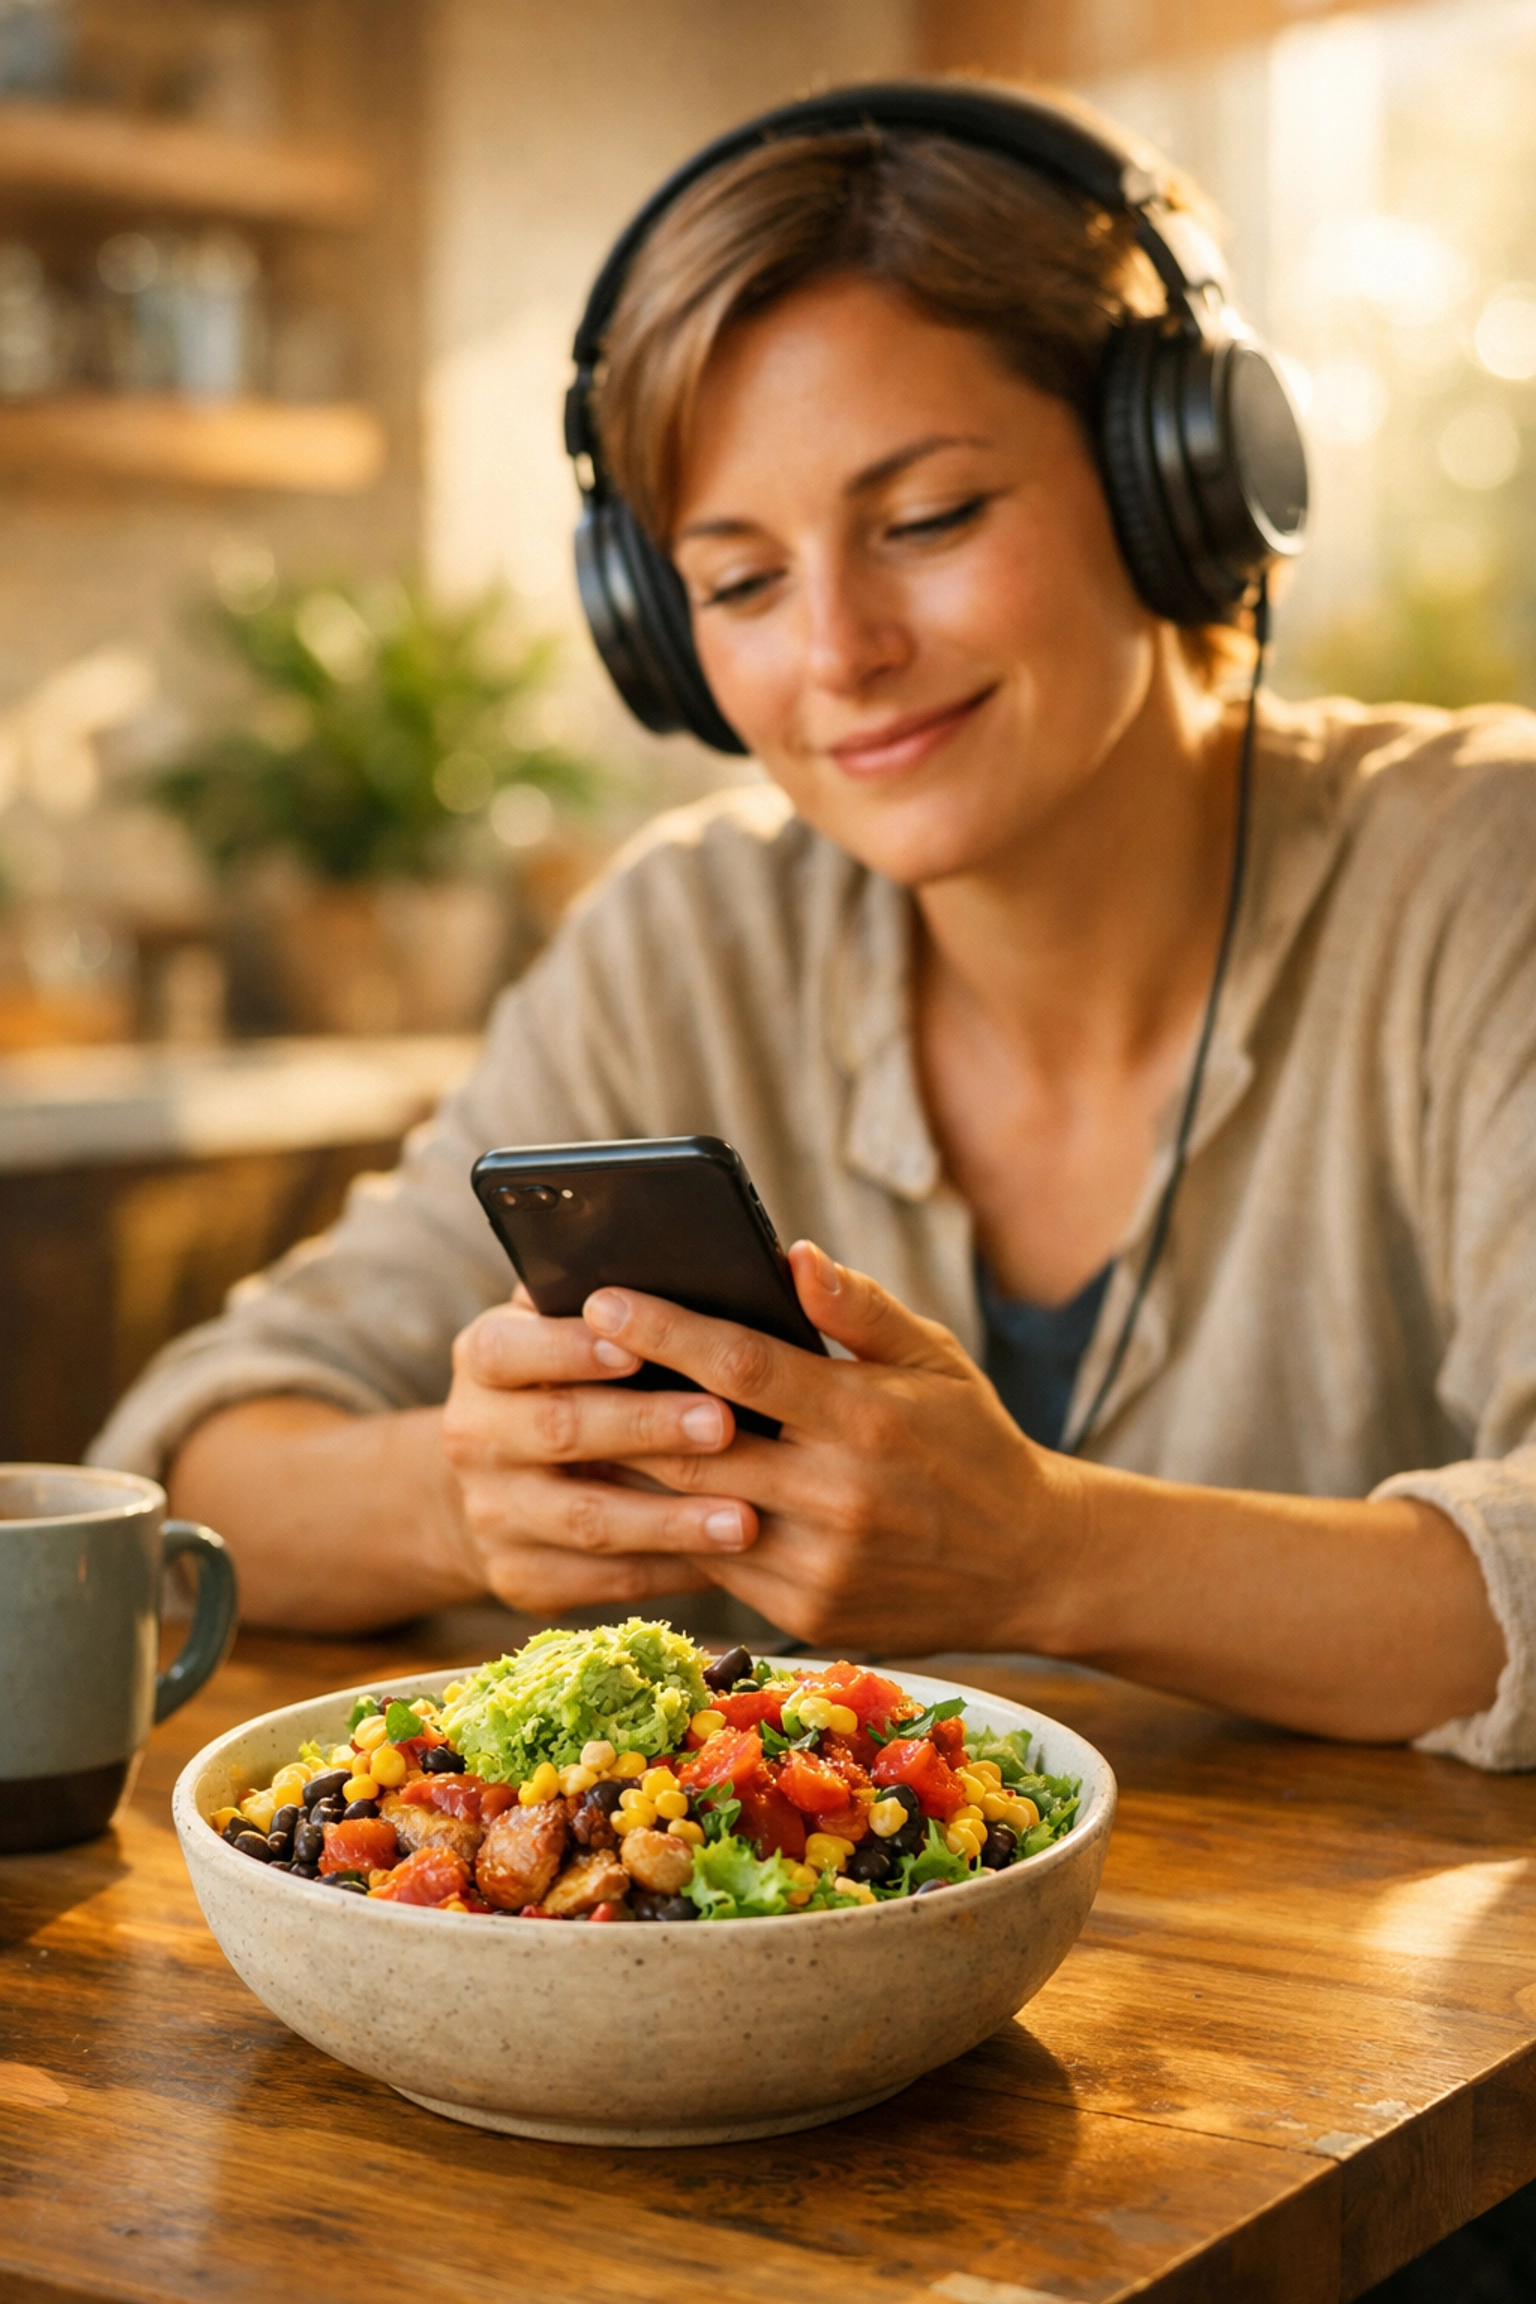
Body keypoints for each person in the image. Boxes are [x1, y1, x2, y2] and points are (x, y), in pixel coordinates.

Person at [94, 84, 1535, 1776]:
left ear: (1180, 483)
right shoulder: (691, 934)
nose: (839, 651)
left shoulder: (1480, 873)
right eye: (740, 583)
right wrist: (471, 1498)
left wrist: (1048, 1552)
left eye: (927, 520)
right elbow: (194, 1466)